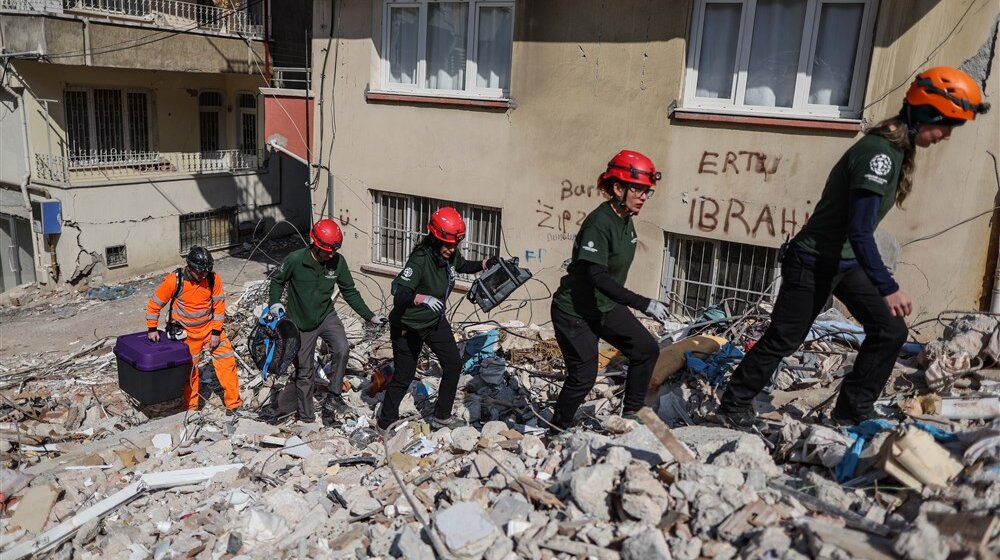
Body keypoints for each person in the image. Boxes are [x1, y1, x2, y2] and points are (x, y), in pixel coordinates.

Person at [719, 66, 990, 427]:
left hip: (843, 262)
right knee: (785, 339)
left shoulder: (896, 152)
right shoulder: (879, 154)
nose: (946, 137)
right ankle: (731, 406)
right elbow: (860, 230)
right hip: (813, 261)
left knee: (890, 331)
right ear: (927, 115)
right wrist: (887, 286)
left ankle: (850, 413)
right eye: (946, 126)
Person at [549, 149, 671, 430]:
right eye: (638, 189)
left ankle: (631, 414)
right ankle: (557, 429)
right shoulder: (599, 223)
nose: (643, 196)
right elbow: (598, 277)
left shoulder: (625, 217)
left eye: (647, 191)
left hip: (602, 306)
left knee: (645, 349)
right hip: (574, 312)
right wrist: (644, 303)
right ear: (618, 187)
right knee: (583, 376)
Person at [377, 207, 499, 431]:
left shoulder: (450, 255)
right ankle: (384, 422)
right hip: (408, 326)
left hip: (434, 321)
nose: (451, 250)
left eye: (454, 245)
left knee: (453, 365)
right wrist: (421, 298)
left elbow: (461, 266)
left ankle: (441, 416)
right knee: (404, 377)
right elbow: (399, 292)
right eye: (447, 245)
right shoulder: (420, 260)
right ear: (434, 239)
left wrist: (483, 264)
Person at [268, 219, 387, 423]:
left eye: (334, 250)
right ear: (315, 244)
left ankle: (333, 396)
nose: (331, 255)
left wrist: (370, 316)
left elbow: (350, 292)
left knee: (342, 348)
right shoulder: (295, 260)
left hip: (326, 315)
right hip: (300, 323)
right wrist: (275, 303)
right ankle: (307, 418)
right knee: (304, 372)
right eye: (327, 251)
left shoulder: (337, 262)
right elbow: (277, 281)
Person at [146, 246, 242, 412]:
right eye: (200, 272)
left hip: (210, 329)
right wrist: (152, 328)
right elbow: (154, 304)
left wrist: (216, 332)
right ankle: (191, 409)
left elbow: (219, 306)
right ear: (189, 267)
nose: (203, 275)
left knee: (227, 362)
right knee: (191, 373)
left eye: (206, 272)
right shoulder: (174, 281)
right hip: (187, 335)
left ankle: (233, 405)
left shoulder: (213, 279)